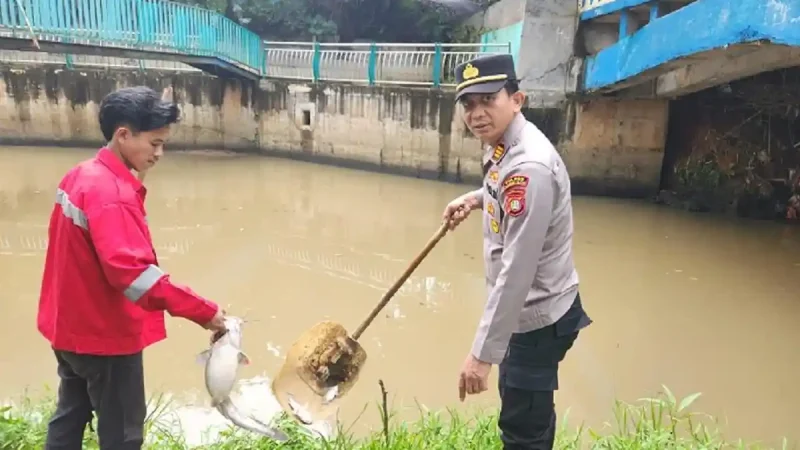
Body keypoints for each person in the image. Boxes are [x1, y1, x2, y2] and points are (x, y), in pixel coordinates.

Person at [37, 85, 227, 450]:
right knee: (123, 435)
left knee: (69, 416)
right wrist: (205, 312)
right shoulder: (112, 194)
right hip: (103, 336)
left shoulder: (81, 175)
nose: (160, 153)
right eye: (154, 144)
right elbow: (135, 276)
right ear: (123, 134)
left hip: (68, 326)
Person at [442, 54, 592, 449]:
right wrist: (477, 199)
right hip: (537, 309)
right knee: (532, 412)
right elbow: (504, 191)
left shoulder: (529, 167)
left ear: (517, 99)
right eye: (468, 104)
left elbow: (517, 272)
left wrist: (481, 354)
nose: (476, 113)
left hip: (536, 318)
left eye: (488, 100)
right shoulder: (507, 145)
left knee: (521, 426)